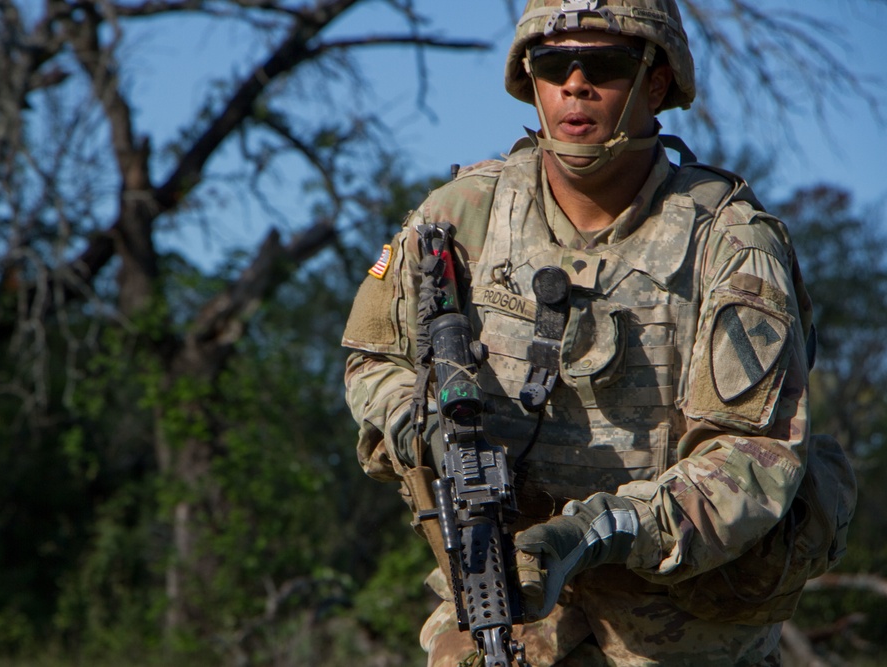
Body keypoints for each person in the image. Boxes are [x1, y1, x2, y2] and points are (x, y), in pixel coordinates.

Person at [341, 1, 854, 665]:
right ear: (531, 79)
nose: (575, 85)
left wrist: (594, 531)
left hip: (679, 634)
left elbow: (752, 459)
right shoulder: (461, 216)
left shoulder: (729, 243)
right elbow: (373, 360)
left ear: (656, 83)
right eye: (554, 65)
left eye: (605, 65)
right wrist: (422, 424)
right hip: (505, 613)